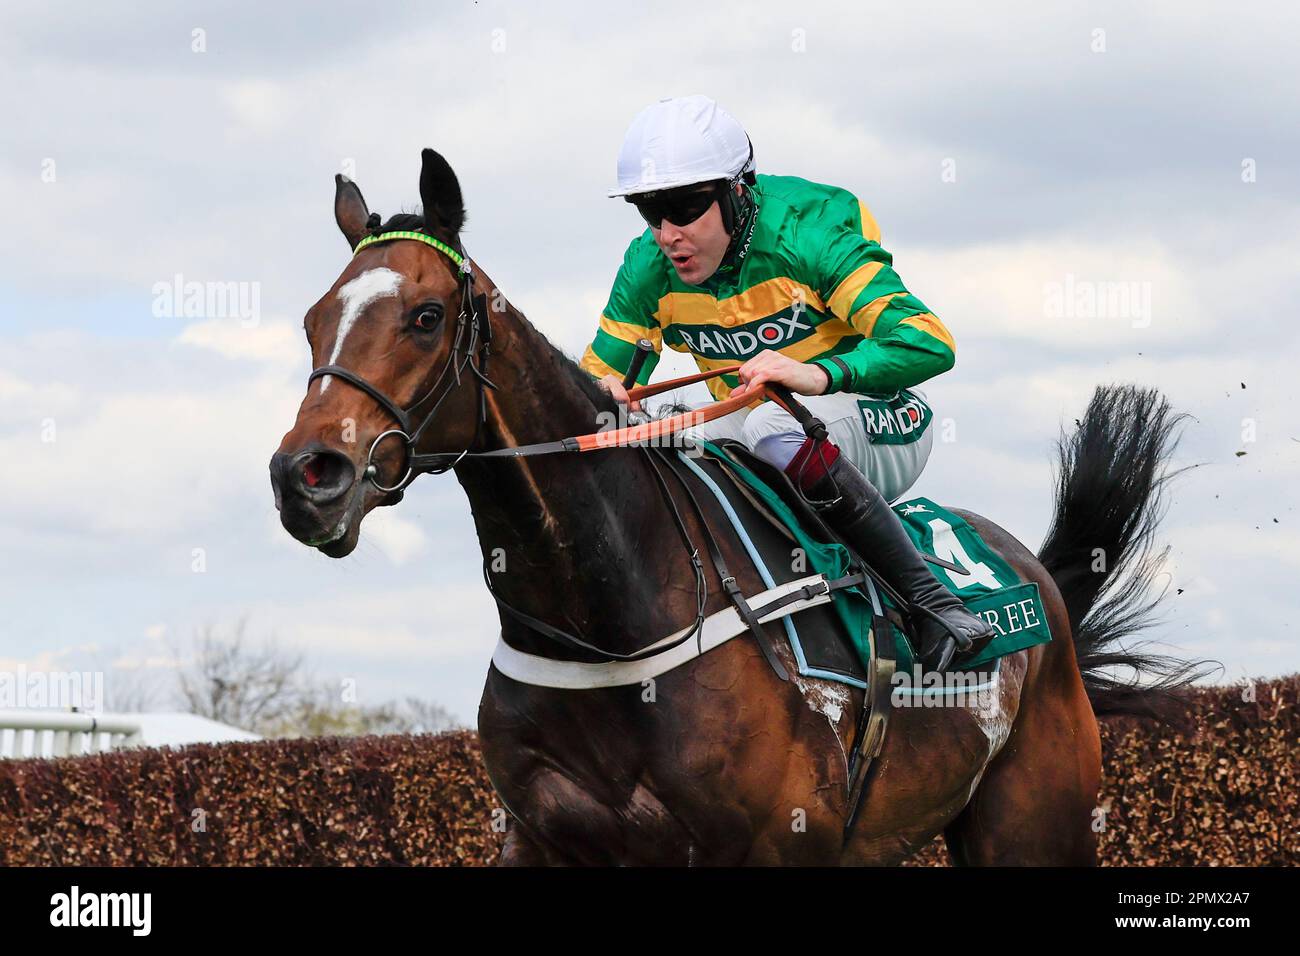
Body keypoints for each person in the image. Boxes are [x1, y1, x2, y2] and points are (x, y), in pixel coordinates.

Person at [581, 95, 993, 672]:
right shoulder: (648, 266)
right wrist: (603, 395)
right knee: (658, 438)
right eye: (650, 211)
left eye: (683, 207)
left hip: (882, 417)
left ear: (737, 190)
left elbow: (928, 342)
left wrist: (817, 374)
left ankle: (935, 605)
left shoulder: (809, 233)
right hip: (759, 431)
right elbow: (596, 385)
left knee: (774, 424)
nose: (668, 233)